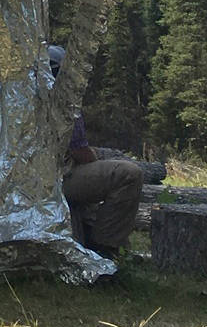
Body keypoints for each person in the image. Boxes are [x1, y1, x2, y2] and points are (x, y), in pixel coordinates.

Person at [49, 46, 144, 255]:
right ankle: (104, 248)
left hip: (35, 181)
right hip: (59, 178)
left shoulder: (22, 97)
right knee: (129, 175)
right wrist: (93, 157)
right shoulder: (63, 100)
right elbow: (80, 151)